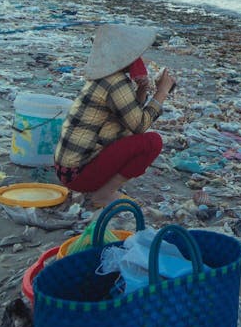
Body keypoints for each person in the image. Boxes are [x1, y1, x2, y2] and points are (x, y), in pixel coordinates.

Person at [53, 24, 177, 207]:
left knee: (134, 137)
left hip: (66, 169)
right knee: (152, 142)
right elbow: (140, 125)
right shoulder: (115, 81)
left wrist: (142, 90)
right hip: (78, 175)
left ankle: (101, 188)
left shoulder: (105, 77)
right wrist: (162, 92)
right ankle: (104, 194)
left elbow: (127, 118)